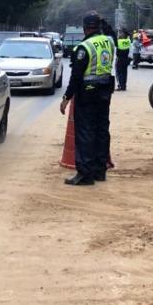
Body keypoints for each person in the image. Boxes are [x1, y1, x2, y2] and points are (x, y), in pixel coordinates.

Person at [60, 11, 114, 185]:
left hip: (87, 95)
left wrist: (67, 97)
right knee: (101, 131)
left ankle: (85, 174)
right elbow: (111, 33)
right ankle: (100, 171)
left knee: (85, 133)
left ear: (84, 28)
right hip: (105, 93)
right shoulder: (109, 41)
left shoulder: (84, 47)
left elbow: (76, 76)